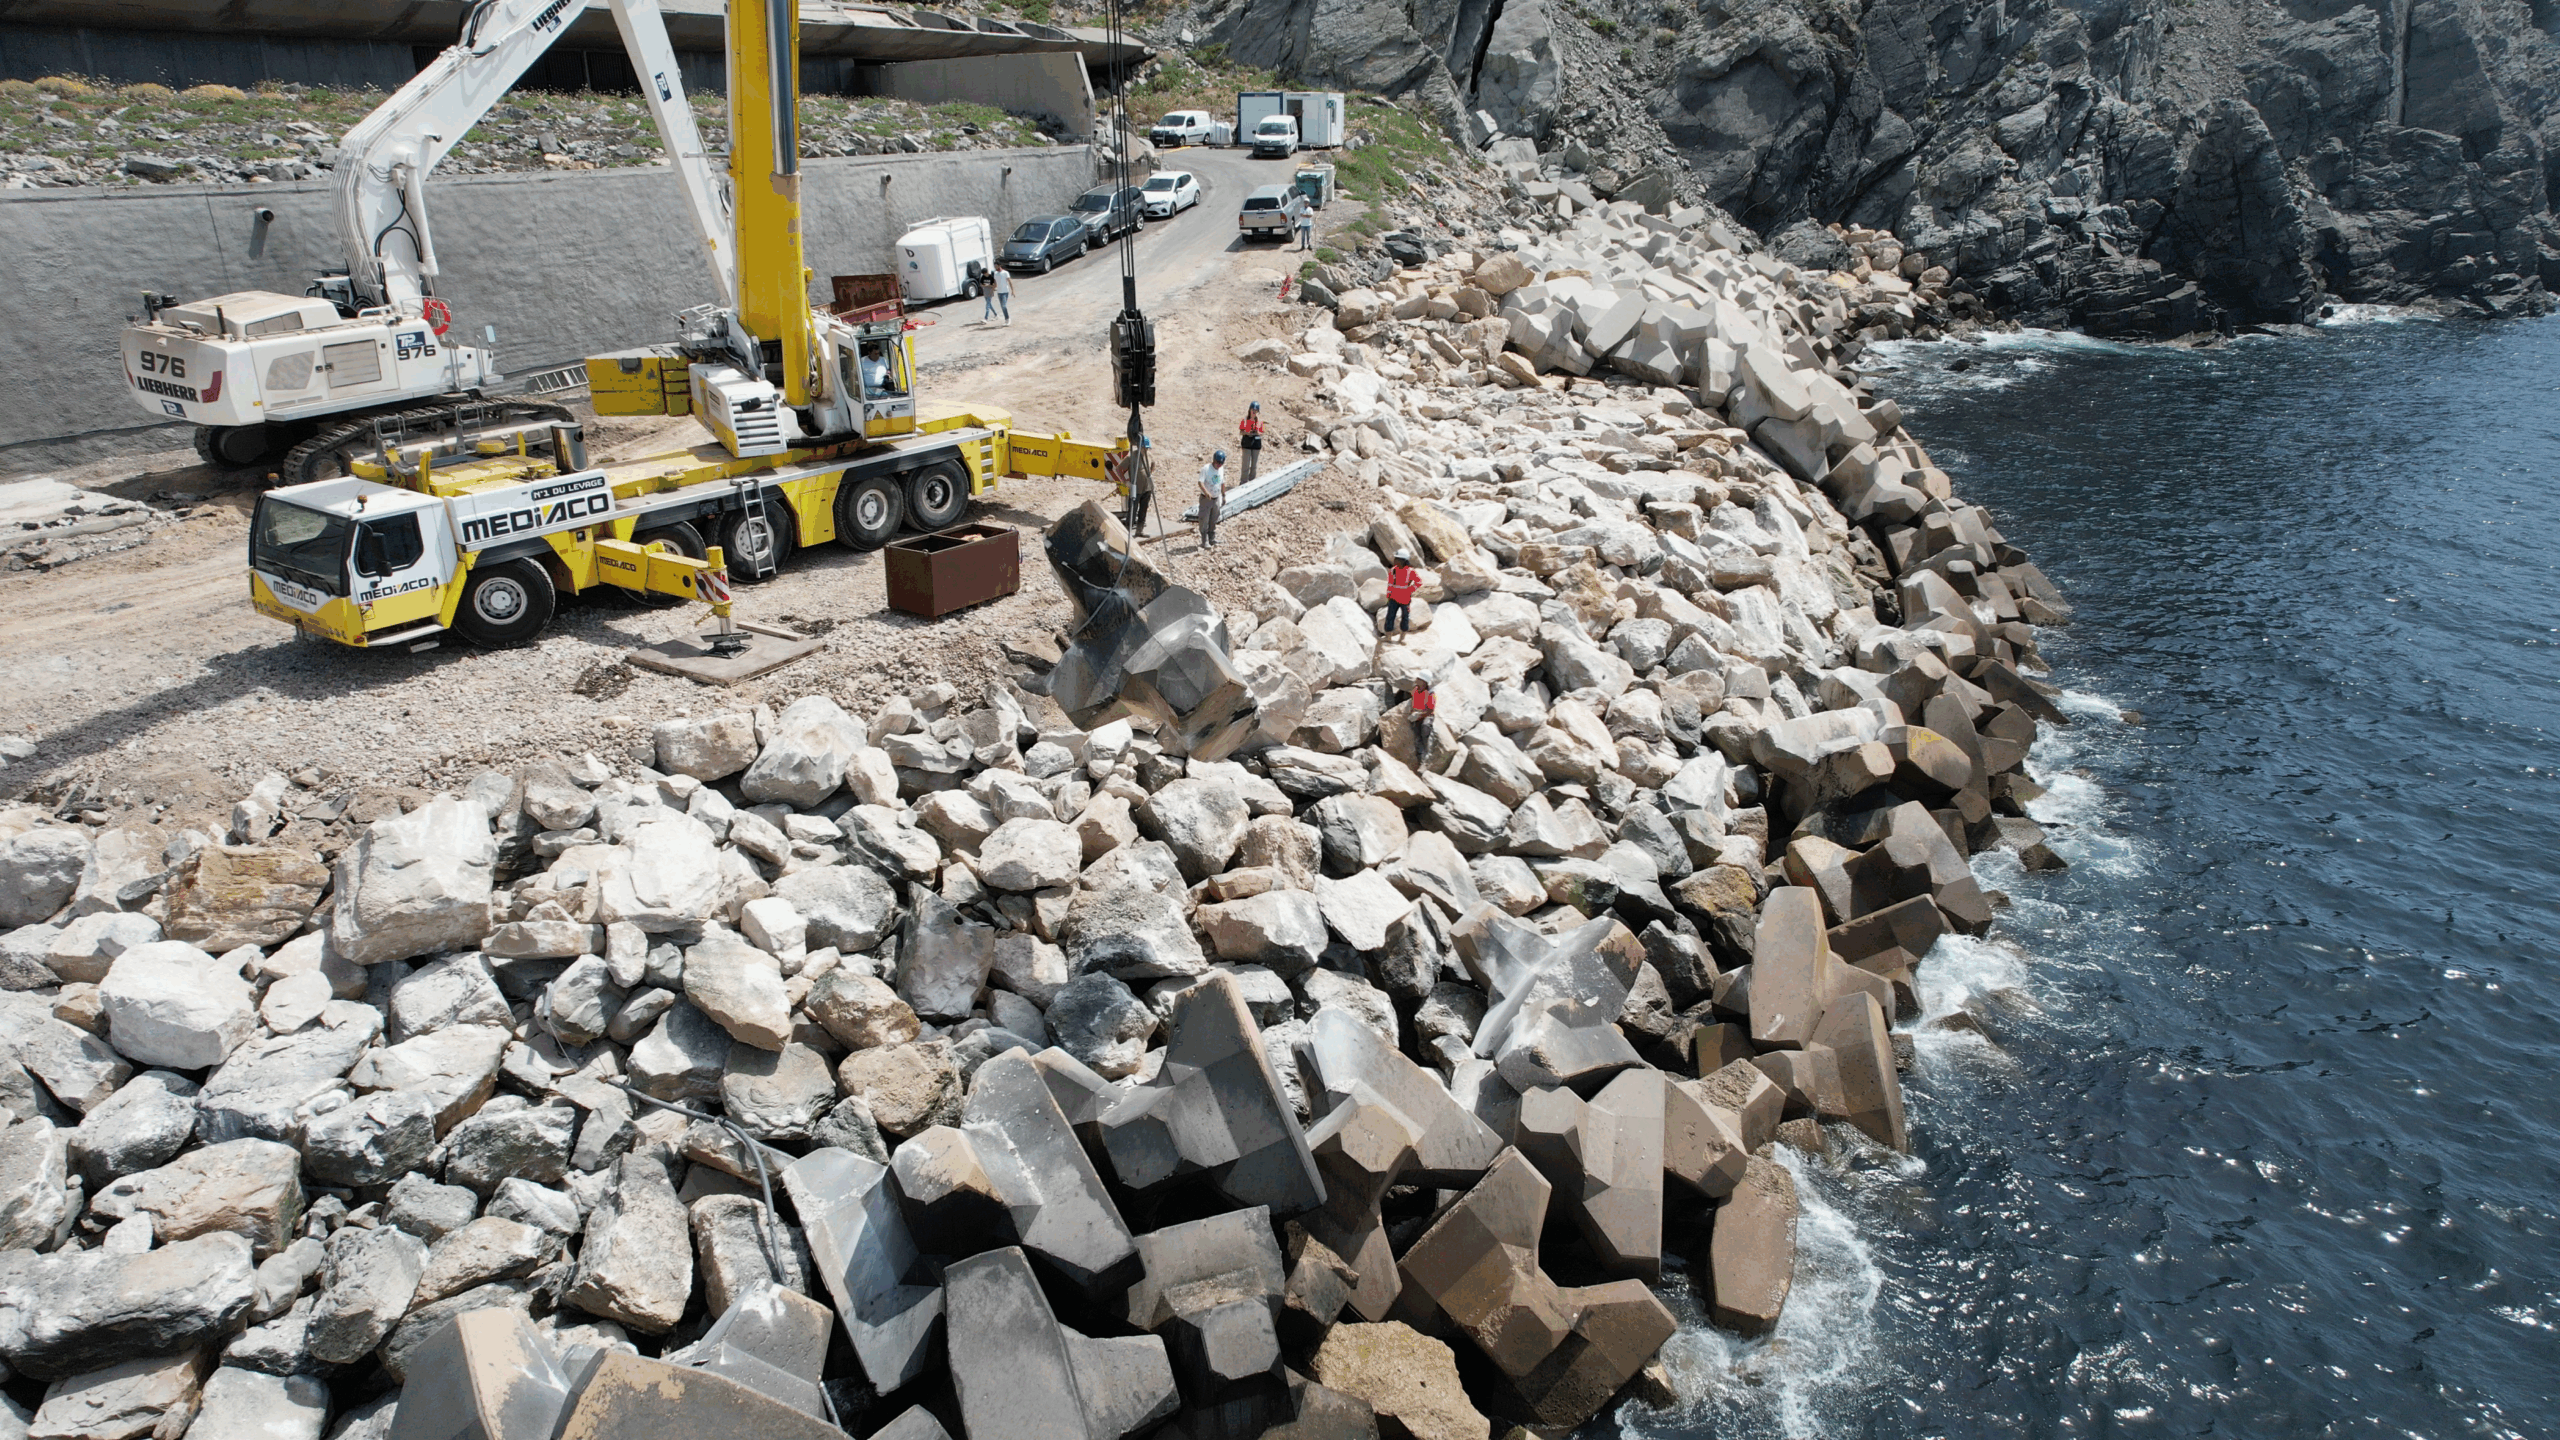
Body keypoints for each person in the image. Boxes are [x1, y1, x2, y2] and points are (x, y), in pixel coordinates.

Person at [1381, 552, 1420, 634]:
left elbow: (1418, 582)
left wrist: (1410, 590)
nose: (1395, 560)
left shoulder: (1410, 571)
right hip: (1393, 597)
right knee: (1390, 617)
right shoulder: (1393, 570)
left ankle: (1402, 638)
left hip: (1405, 598)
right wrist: (1388, 595)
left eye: (1397, 559)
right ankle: (1388, 636)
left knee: (1405, 617)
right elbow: (1390, 584)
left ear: (1403, 561)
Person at [1197, 450, 1228, 549]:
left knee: (1214, 518)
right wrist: (1206, 492)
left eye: (1221, 463)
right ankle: (1204, 541)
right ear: (1214, 460)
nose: (1219, 465)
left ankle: (1212, 538)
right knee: (1204, 519)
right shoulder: (1206, 469)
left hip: (1216, 498)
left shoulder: (1221, 469)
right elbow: (1200, 482)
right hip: (1206, 499)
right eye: (1218, 462)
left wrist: (1223, 495)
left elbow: (1222, 483)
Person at [1409, 678, 1437, 771]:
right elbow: (1413, 702)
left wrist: (1419, 715)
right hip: (1417, 714)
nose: (1417, 681)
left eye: (1419, 680)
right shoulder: (1415, 690)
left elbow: (1430, 710)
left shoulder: (1431, 694)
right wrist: (1413, 713)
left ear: (1425, 682)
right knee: (1416, 736)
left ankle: (1427, 758)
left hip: (1426, 715)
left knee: (1425, 728)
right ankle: (1420, 759)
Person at [1237, 401, 1265, 487]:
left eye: (1256, 411)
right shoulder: (1245, 420)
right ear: (1250, 410)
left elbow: (1262, 432)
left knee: (1254, 465)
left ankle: (1252, 482)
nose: (1254, 412)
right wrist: (1246, 432)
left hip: (1256, 444)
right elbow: (1241, 432)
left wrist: (1257, 432)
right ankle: (1243, 482)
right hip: (1246, 443)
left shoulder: (1259, 421)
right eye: (1253, 410)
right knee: (1245, 464)